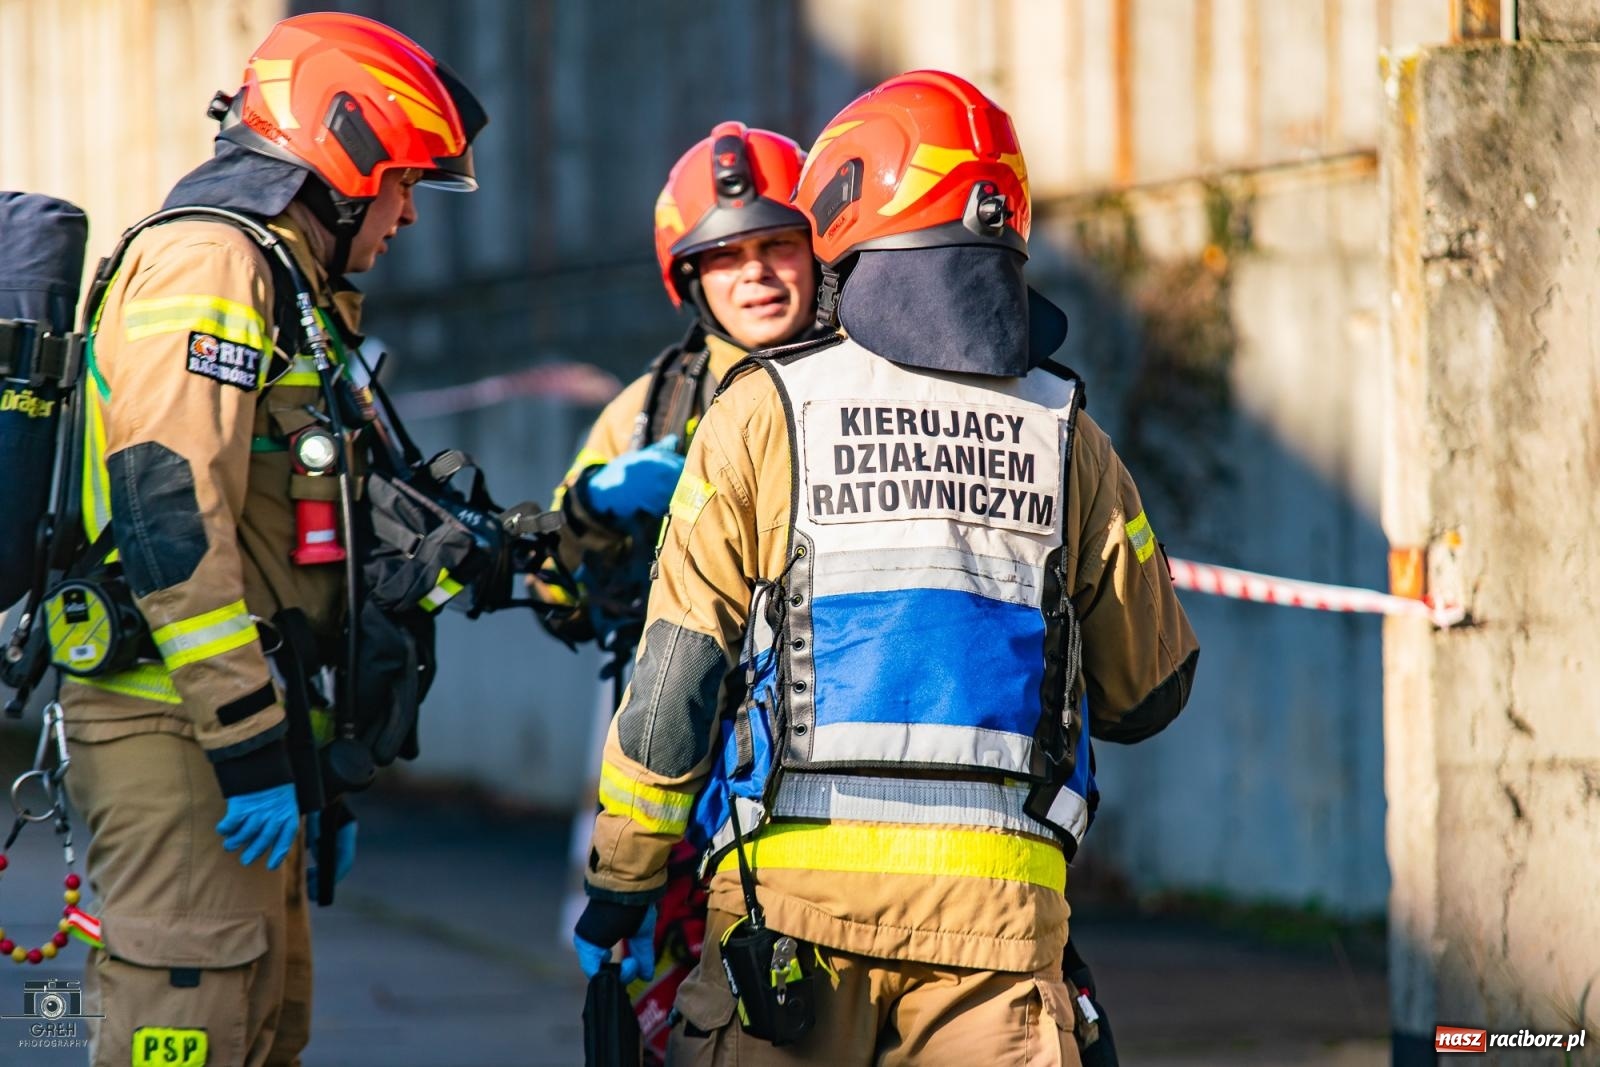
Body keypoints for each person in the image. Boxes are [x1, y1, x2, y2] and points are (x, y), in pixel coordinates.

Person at [573, 70, 1199, 1065]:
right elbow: (1146, 691)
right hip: (998, 938)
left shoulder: (760, 411)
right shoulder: (1068, 431)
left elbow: (675, 679)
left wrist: (623, 878)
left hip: (790, 929)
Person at [59, 14, 486, 1065]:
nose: (408, 217)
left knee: (260, 1032)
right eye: (403, 183)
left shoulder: (283, 281)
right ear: (343, 163)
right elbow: (168, 513)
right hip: (182, 738)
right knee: (191, 1032)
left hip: (236, 741)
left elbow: (280, 535)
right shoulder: (209, 260)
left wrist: (305, 762)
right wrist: (254, 748)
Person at [539, 122, 818, 1062]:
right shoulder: (648, 408)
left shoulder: (868, 383)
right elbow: (552, 587)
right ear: (687, 278)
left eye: (779, 243)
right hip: (682, 799)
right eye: (725, 254)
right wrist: (596, 505)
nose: (757, 274)